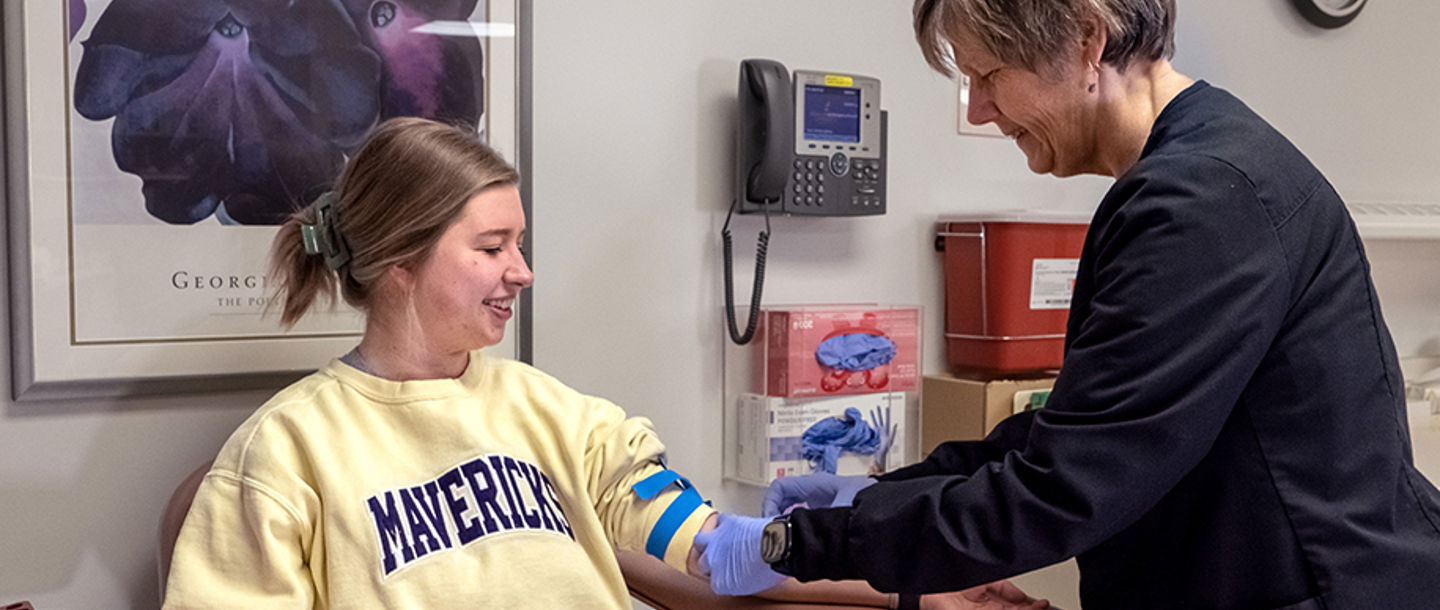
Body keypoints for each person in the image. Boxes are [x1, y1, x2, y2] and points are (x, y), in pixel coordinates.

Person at [697, 1, 1440, 608]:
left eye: (990, 74)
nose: (981, 109)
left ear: (1087, 39)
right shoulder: (1204, 168)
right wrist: (874, 495)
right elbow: (1078, 430)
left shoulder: (1203, 202)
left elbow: (1064, 489)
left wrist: (798, 545)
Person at [162, 116, 1047, 610]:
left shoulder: (549, 411)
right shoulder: (284, 454)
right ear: (401, 261)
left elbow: (702, 546)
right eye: (494, 245)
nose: (523, 271)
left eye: (523, 243)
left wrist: (828, 551)